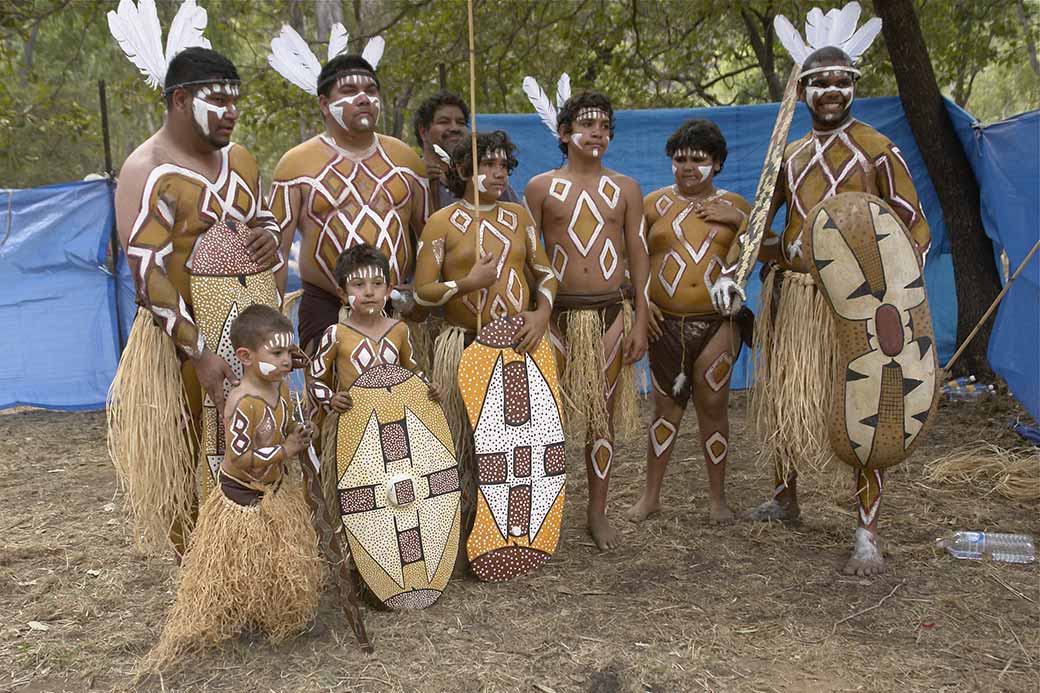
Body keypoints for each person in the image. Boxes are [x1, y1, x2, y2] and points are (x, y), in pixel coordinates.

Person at [737, 9, 930, 576]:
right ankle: (784, 496)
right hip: (795, 299)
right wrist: (740, 270)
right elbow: (760, 226)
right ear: (801, 90)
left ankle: (866, 529)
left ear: (854, 87)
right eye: (820, 82)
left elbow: (913, 226)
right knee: (786, 396)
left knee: (866, 408)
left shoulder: (877, 149)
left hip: (859, 307)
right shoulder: (789, 157)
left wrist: (896, 286)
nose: (831, 91)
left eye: (842, 81)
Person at [107, 38, 281, 556]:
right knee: (188, 457)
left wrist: (268, 235)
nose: (231, 113)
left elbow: (263, 219)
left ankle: (259, 552)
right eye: (218, 101)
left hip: (248, 341)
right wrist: (199, 353)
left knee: (253, 447)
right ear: (180, 100)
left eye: (235, 101)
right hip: (178, 345)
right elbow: (148, 274)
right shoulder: (148, 171)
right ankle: (201, 564)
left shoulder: (243, 161)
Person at [140, 305, 320, 673]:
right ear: (245, 357)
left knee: (275, 563)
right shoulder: (243, 402)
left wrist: (295, 435)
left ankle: (273, 613)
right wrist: (285, 450)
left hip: (273, 495)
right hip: (242, 501)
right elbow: (239, 458)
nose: (287, 360)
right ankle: (241, 614)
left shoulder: (278, 386)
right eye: (277, 353)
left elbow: (282, 422)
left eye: (289, 352)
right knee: (243, 566)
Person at [414, 130, 557, 567]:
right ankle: (457, 532)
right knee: (463, 445)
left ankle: (512, 532)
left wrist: (541, 315)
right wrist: (466, 283)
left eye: (503, 166)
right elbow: (421, 293)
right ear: (463, 171)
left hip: (518, 346)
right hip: (464, 344)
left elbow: (546, 273)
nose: (498, 174)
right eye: (487, 165)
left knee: (514, 446)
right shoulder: (441, 222)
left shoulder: (518, 216)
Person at [523, 88, 649, 551]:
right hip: (555, 318)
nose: (597, 133)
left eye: (604, 126)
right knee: (544, 420)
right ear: (563, 133)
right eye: (587, 124)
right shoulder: (539, 188)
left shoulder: (626, 188)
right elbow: (528, 255)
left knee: (603, 418)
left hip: (613, 314)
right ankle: (541, 512)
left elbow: (638, 253)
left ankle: (596, 513)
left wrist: (640, 320)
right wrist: (536, 311)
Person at [266, 32, 428, 355]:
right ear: (324, 104)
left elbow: (431, 238)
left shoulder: (406, 161)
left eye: (371, 90)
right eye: (350, 91)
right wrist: (271, 322)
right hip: (325, 306)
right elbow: (276, 253)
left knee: (402, 403)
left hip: (397, 309)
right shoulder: (295, 165)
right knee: (332, 403)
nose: (364, 98)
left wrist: (422, 296)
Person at [626, 120, 752, 525]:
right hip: (666, 323)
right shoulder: (653, 205)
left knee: (713, 406)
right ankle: (650, 497)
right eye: (680, 159)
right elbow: (629, 257)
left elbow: (757, 253)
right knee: (664, 409)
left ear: (716, 162)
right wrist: (641, 301)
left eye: (698, 159)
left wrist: (738, 221)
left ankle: (717, 500)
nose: (687, 167)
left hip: (719, 323)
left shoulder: (737, 206)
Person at [307, 243, 440, 509]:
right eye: (358, 285)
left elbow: (412, 370)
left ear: (389, 290)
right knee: (365, 497)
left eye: (377, 284)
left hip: (396, 425)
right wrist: (331, 399)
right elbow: (314, 381)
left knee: (396, 492)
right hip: (355, 427)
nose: (369, 292)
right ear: (342, 293)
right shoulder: (336, 334)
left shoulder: (399, 330)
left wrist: (429, 389)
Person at [412, 90, 521, 210]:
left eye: (461, 122)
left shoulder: (485, 177)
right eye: (444, 122)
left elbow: (518, 221)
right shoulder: (411, 179)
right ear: (423, 132)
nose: (454, 128)